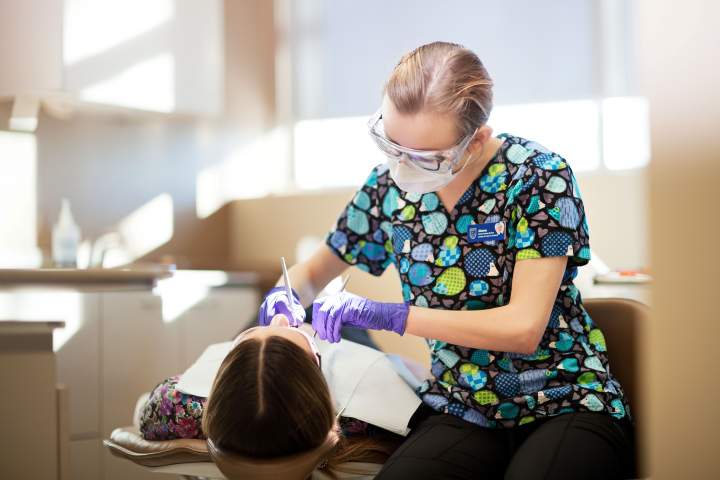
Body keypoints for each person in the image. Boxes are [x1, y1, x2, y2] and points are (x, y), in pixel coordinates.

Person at [258, 41, 636, 479]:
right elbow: (313, 273)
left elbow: (523, 328)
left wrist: (391, 316)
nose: (402, 167)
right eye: (391, 146)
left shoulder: (538, 176)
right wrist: (284, 297)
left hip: (564, 399)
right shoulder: (386, 189)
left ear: (477, 141)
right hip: (461, 406)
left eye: (425, 158)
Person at [139, 314, 426, 479]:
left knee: (269, 316)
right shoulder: (375, 418)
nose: (280, 319)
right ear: (318, 383)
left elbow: (143, 408)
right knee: (336, 317)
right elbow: (417, 383)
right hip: (344, 339)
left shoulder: (178, 408)